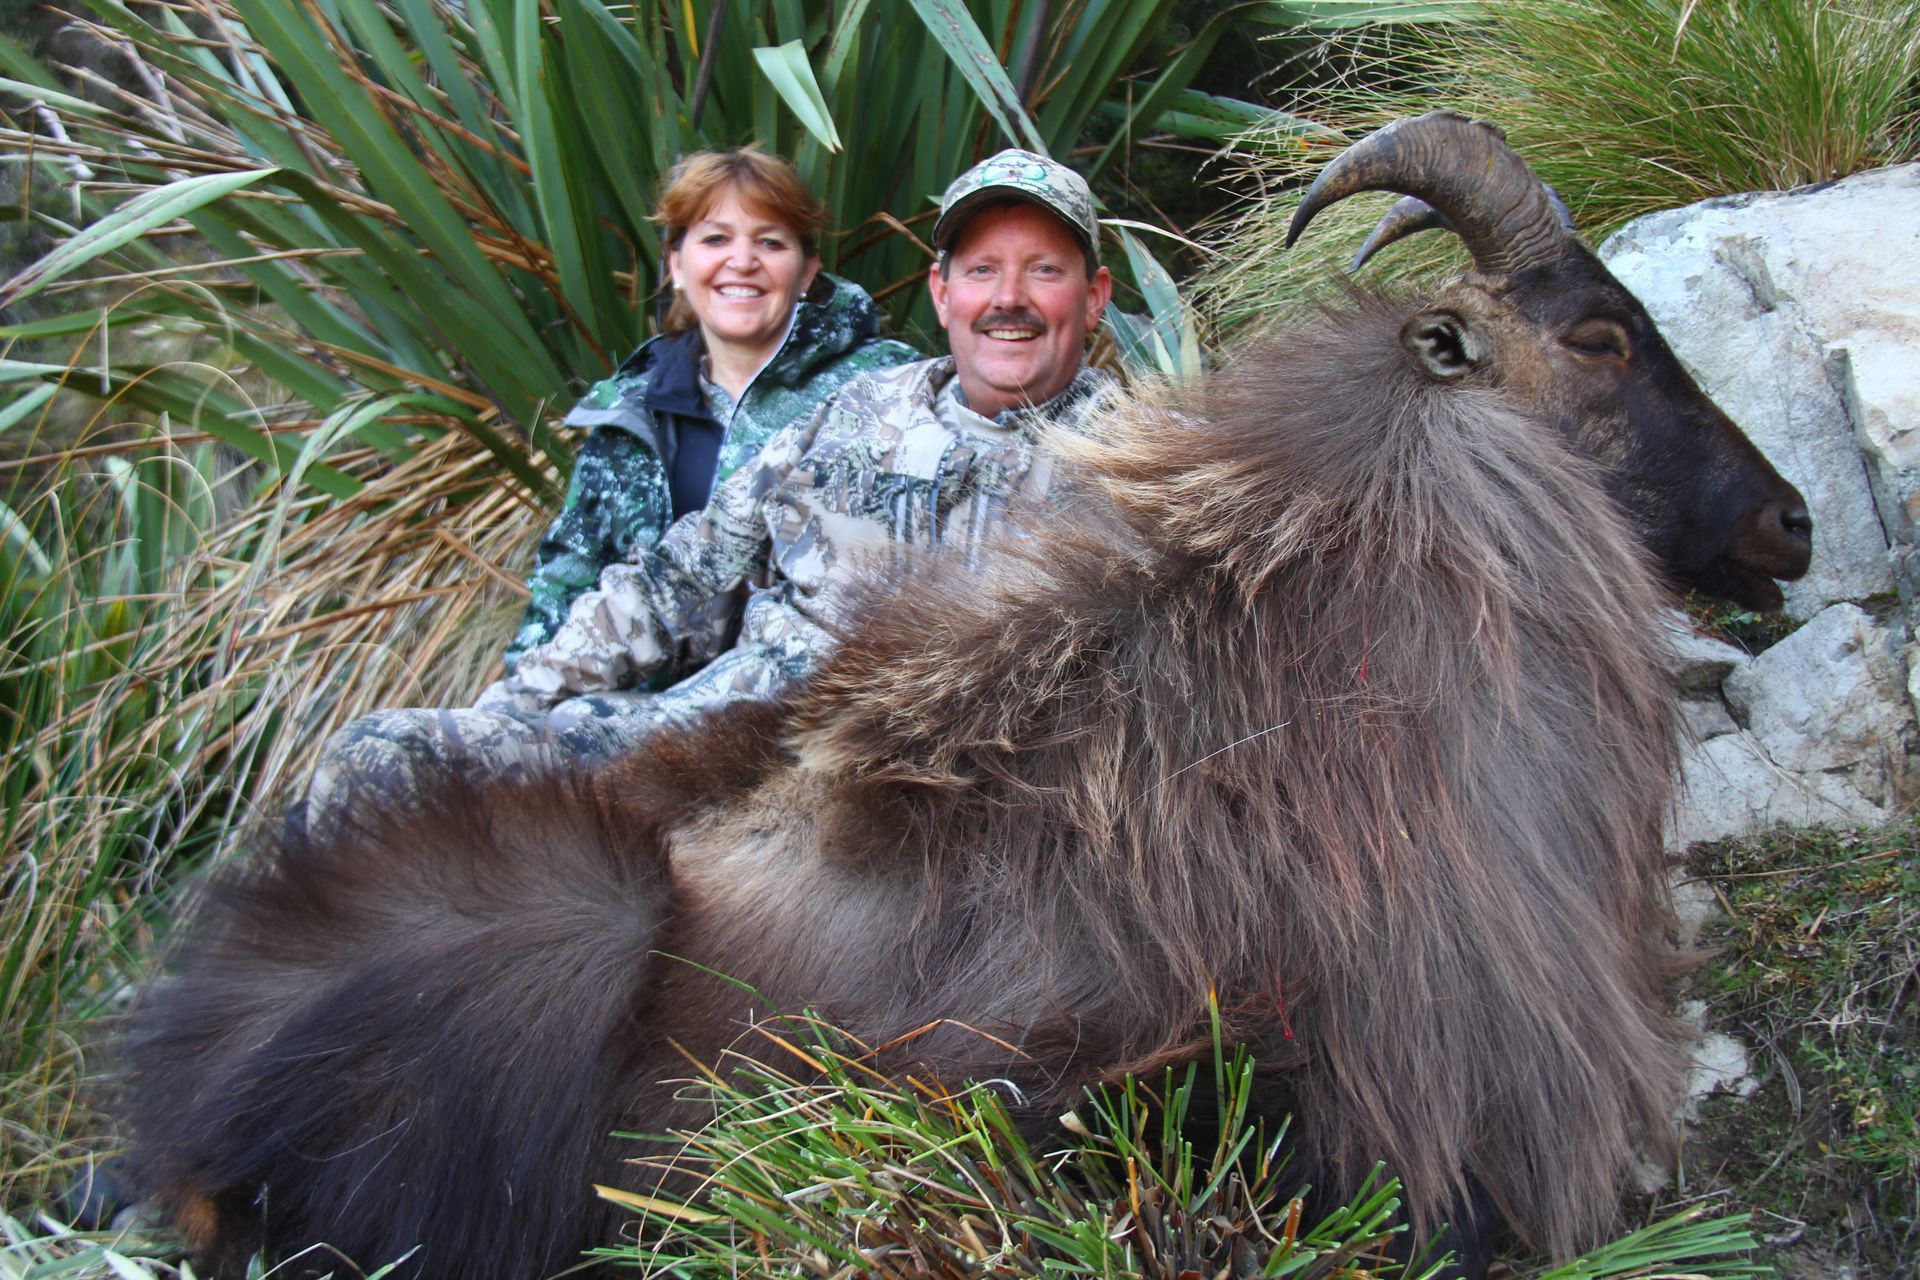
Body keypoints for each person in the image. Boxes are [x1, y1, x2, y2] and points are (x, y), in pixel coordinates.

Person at [306, 147, 1114, 826]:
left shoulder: (1136, 472)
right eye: (982, 270)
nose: (1008, 299)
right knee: (387, 757)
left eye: (1044, 270)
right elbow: (683, 577)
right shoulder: (863, 410)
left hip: (909, 812)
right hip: (710, 744)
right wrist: (518, 703)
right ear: (942, 293)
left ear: (1095, 296)